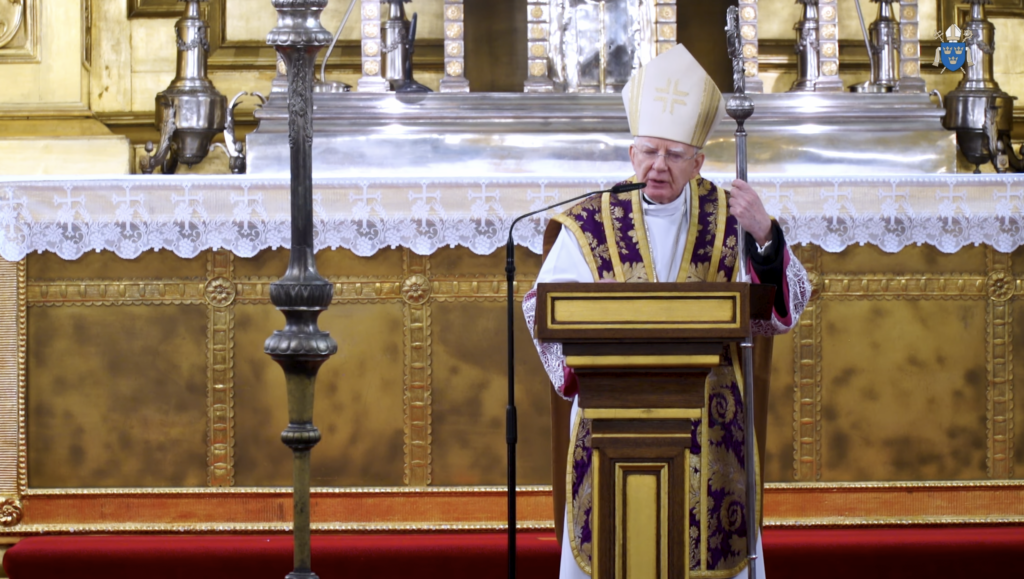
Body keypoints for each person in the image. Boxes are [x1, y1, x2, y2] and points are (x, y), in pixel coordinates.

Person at [522, 44, 812, 579]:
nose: (658, 165)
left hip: (711, 415)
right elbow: (542, 310)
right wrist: (584, 363)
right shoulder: (592, 220)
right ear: (631, 153)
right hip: (612, 414)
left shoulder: (731, 217)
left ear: (698, 161)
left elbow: (776, 314)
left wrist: (765, 237)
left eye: (674, 155)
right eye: (649, 151)